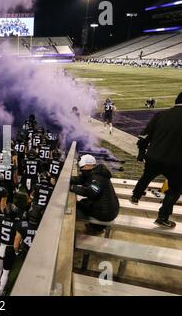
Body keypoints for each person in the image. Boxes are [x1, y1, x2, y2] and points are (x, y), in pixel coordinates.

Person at [131, 92, 182, 228]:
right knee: (174, 190)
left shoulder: (161, 115)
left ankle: (135, 196)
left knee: (147, 176)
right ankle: (162, 217)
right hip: (175, 163)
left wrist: (141, 152)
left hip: (153, 157)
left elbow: (144, 135)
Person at [70, 155, 120, 233]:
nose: (81, 169)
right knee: (83, 202)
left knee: (76, 208)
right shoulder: (94, 173)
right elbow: (81, 179)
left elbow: (91, 192)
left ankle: (96, 227)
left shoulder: (97, 177)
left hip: (106, 213)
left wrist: (73, 188)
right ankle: (96, 227)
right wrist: (68, 179)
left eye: (82, 167)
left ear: (89, 165)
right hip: (110, 209)